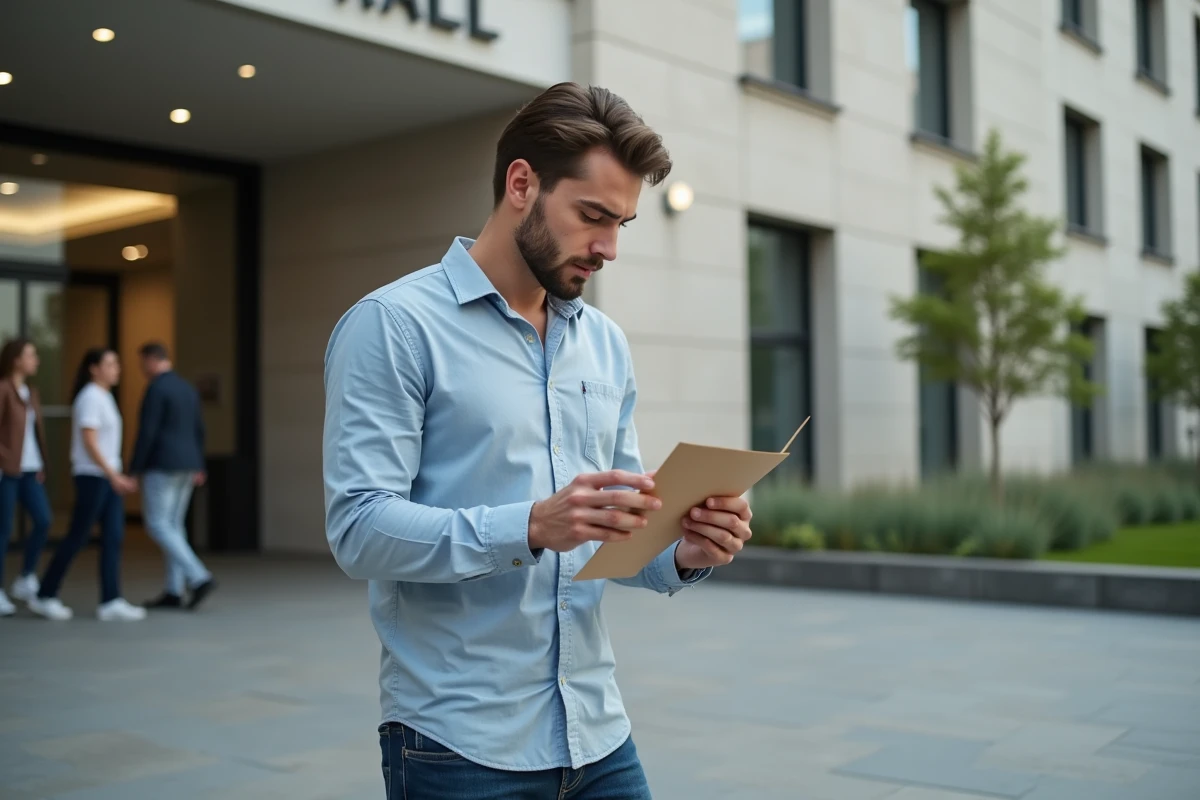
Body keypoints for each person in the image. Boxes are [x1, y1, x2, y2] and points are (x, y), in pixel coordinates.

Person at [323, 82, 755, 800]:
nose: (609, 248)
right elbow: (358, 528)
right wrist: (529, 525)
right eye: (593, 217)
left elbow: (614, 532)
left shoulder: (605, 345)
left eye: (622, 224)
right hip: (457, 744)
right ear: (521, 183)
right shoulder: (393, 326)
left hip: (597, 732)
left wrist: (683, 549)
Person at [28, 347, 145, 622]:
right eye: (110, 363)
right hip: (93, 477)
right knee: (78, 536)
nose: (116, 368)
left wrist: (116, 474)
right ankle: (45, 594)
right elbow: (90, 441)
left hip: (107, 476)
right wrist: (113, 474)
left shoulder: (104, 397)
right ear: (94, 368)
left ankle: (111, 600)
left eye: (116, 363)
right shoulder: (90, 397)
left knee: (114, 537)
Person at [129, 341, 216, 610]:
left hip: (163, 465)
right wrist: (199, 463)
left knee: (158, 524)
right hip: (188, 464)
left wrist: (135, 468)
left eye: (143, 363)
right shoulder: (187, 388)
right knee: (175, 527)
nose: (143, 369)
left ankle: (199, 576)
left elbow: (148, 432)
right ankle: (173, 590)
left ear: (153, 360)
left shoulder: (156, 389)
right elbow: (198, 429)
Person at [0, 338, 53, 616]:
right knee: (3, 530)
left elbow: (34, 434)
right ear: (15, 359)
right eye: (31, 355)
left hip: (31, 470)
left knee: (44, 521)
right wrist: (6, 457)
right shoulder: (3, 389)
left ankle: (25, 577)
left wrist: (41, 461)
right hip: (8, 471)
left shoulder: (31, 392)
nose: (36, 361)